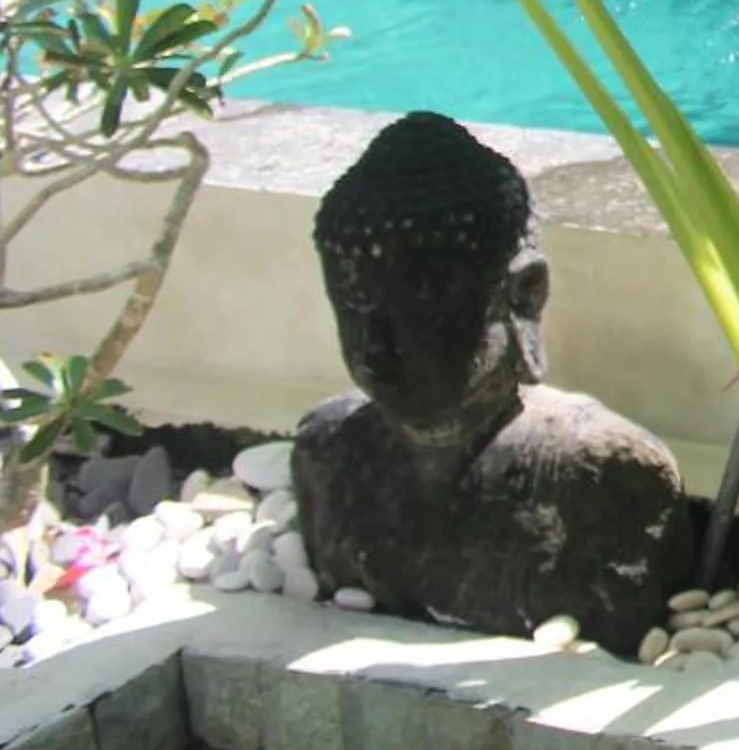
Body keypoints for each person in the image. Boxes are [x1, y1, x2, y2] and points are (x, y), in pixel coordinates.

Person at [293, 112, 691, 653]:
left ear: (523, 294)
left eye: (414, 317)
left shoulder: (606, 473)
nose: (375, 350)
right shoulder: (327, 451)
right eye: (352, 312)